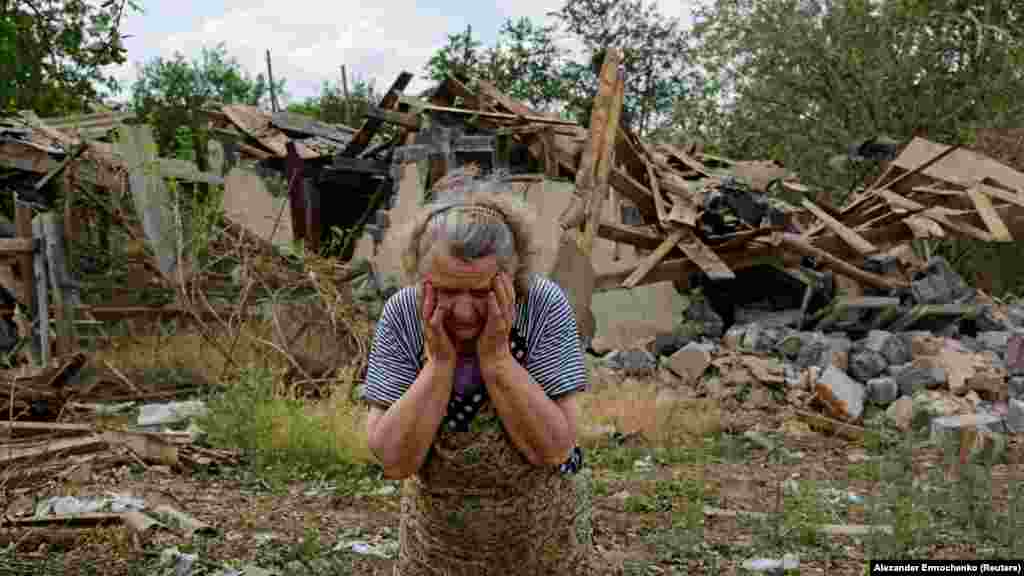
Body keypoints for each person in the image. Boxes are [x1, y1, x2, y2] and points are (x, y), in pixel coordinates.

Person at [361, 168, 594, 575]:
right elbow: (394, 461)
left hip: (542, 544)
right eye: (447, 291)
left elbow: (556, 448)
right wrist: (439, 366)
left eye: (482, 292)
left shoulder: (541, 306)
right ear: (421, 278)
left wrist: (499, 361)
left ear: (512, 277)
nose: (465, 312)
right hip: (438, 550)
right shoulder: (403, 313)